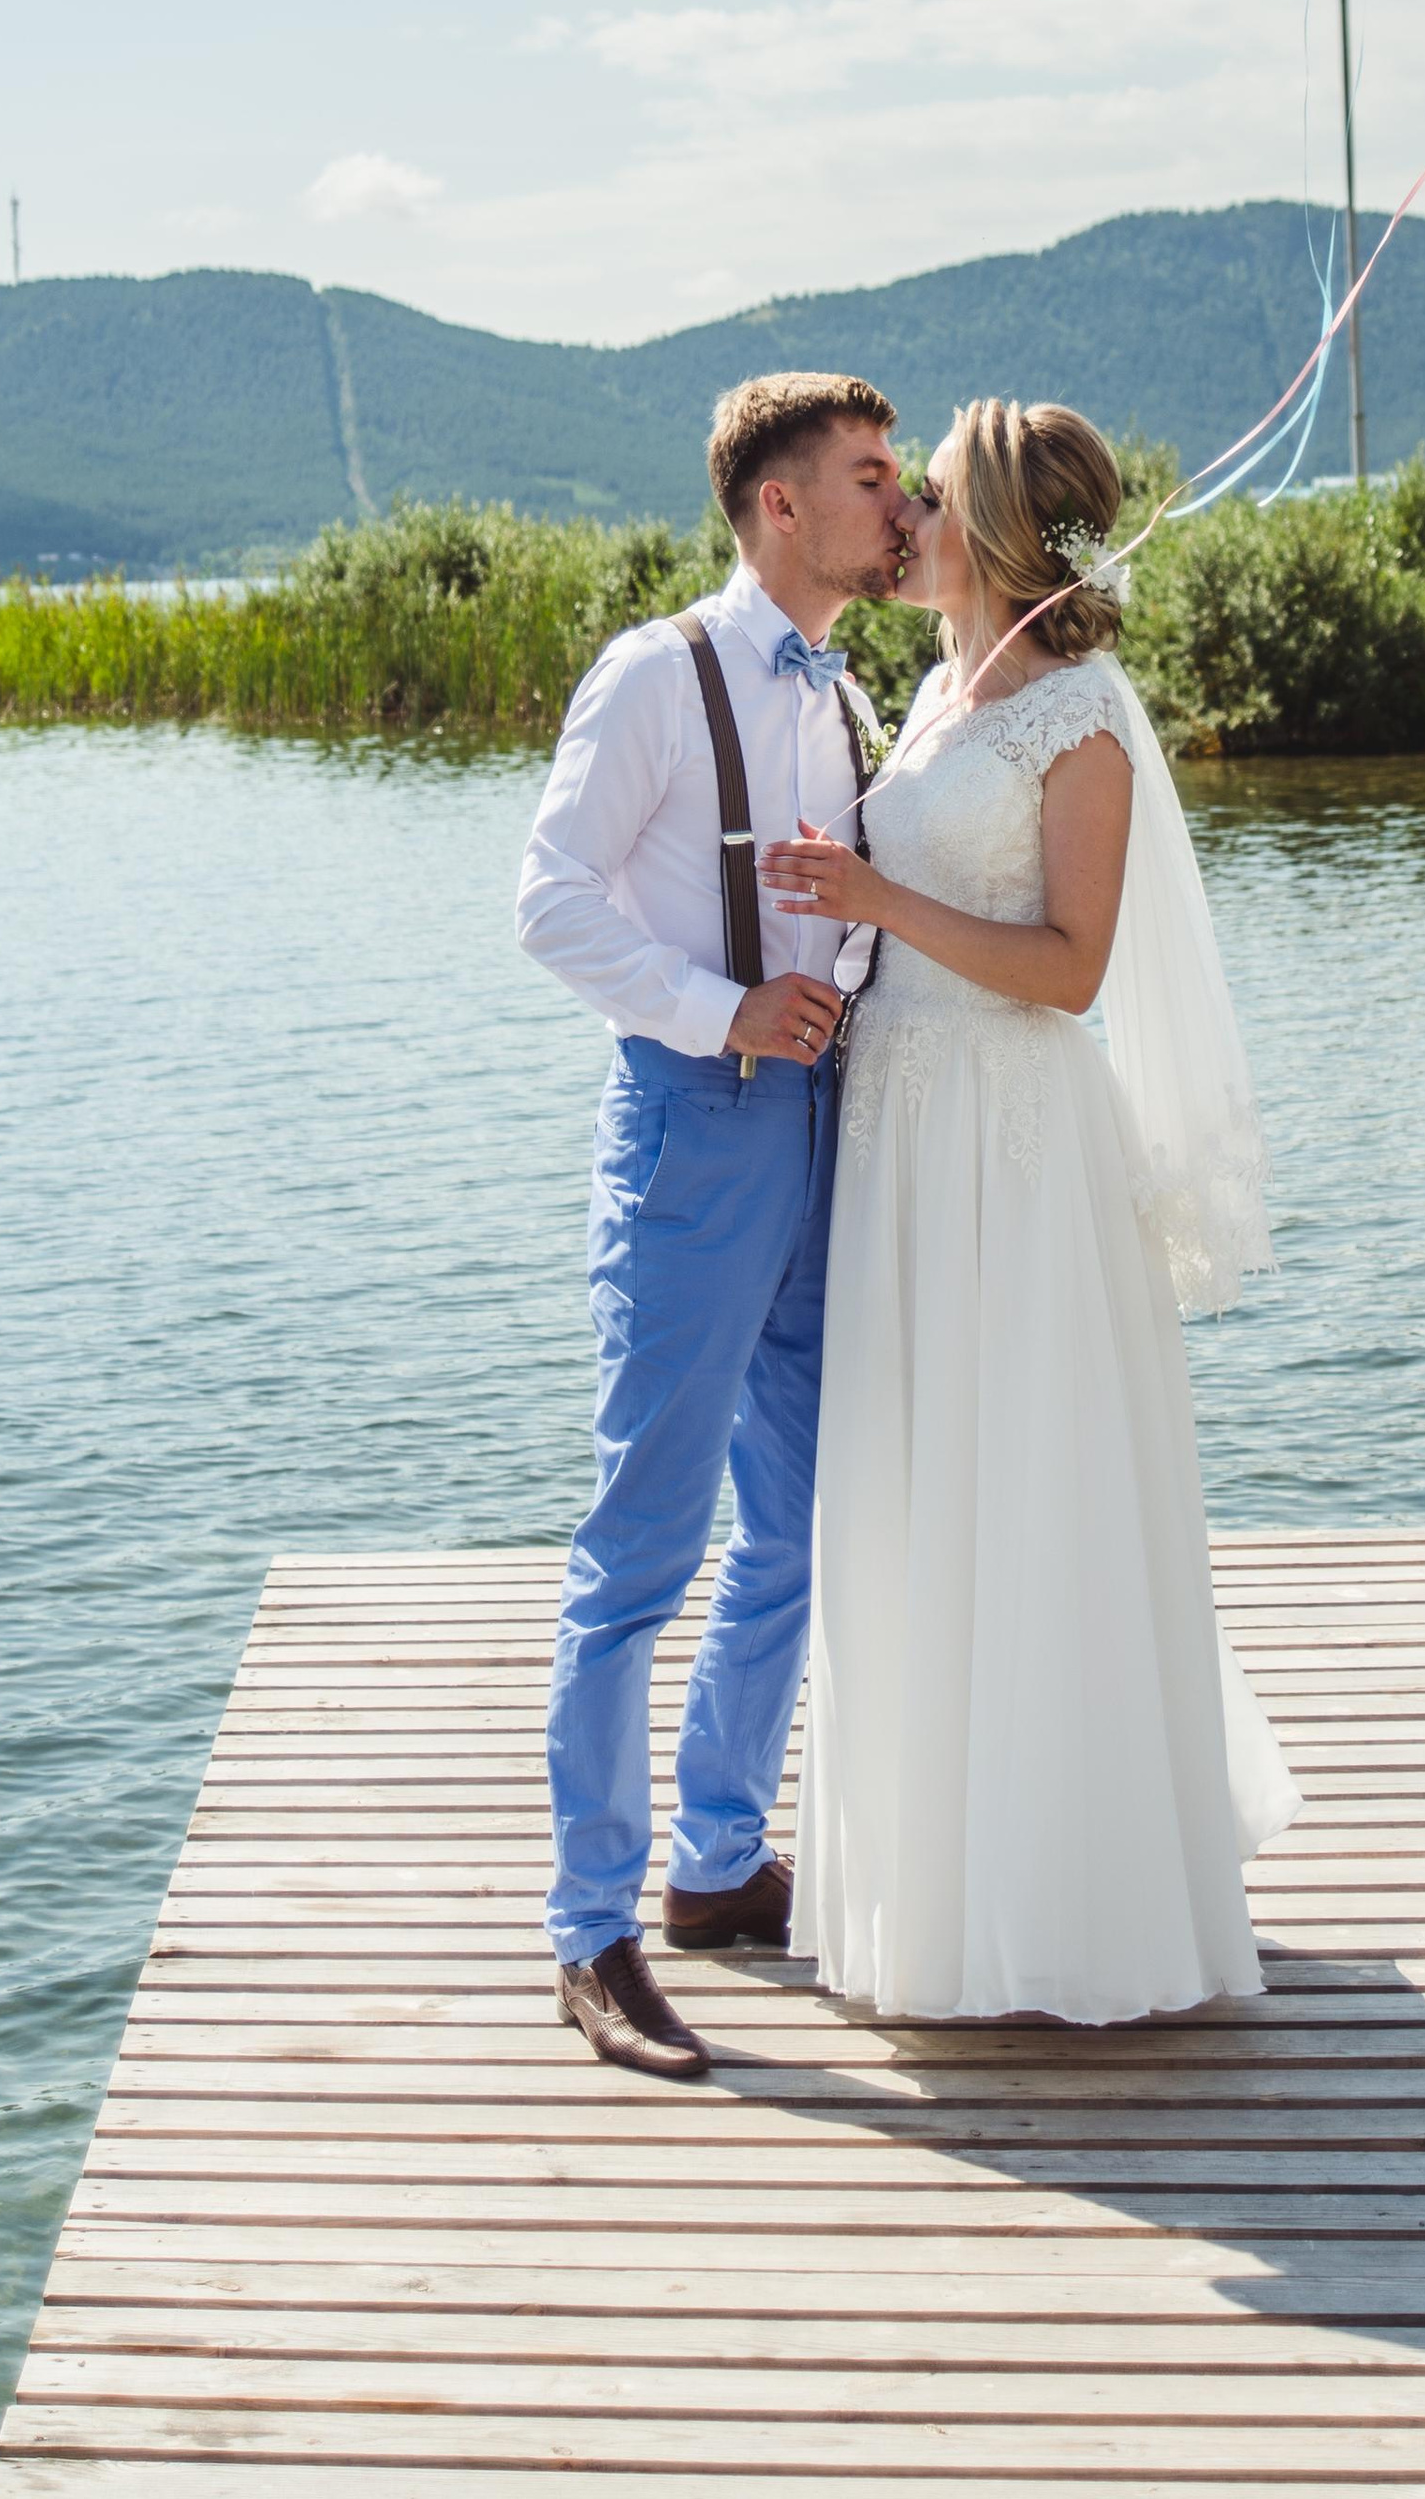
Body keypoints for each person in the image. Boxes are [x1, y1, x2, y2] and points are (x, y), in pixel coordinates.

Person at [762, 397, 1297, 2024]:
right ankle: (940, 1893)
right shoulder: (934, 689)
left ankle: (1068, 1898)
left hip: (1014, 1135)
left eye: (920, 495)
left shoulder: (1079, 716)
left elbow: (1070, 972)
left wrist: (871, 895)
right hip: (903, 1132)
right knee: (923, 1492)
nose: (897, 519)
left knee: (1031, 1490)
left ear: (986, 525)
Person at [515, 370, 915, 2081]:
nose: (899, 505)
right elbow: (544, 900)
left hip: (828, 1136)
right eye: (871, 478)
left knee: (804, 1519)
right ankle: (590, 1932)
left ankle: (716, 1861)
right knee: (641, 1550)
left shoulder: (840, 680)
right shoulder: (656, 674)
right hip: (696, 1137)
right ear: (779, 507)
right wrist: (714, 1007)